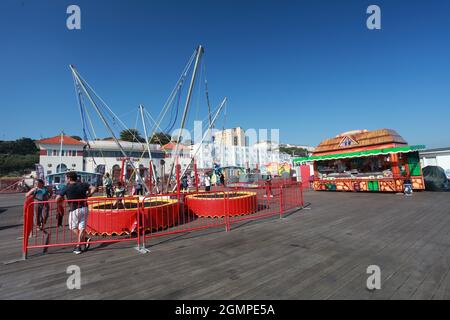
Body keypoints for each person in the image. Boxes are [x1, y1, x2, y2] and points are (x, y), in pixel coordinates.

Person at [56, 171, 96, 254]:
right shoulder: (83, 184)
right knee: (82, 227)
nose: (65, 180)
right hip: (84, 208)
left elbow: (57, 198)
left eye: (66, 178)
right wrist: (89, 195)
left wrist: (61, 201)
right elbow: (94, 188)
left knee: (72, 227)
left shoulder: (67, 187)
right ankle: (83, 240)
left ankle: (79, 245)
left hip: (74, 209)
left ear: (69, 178)